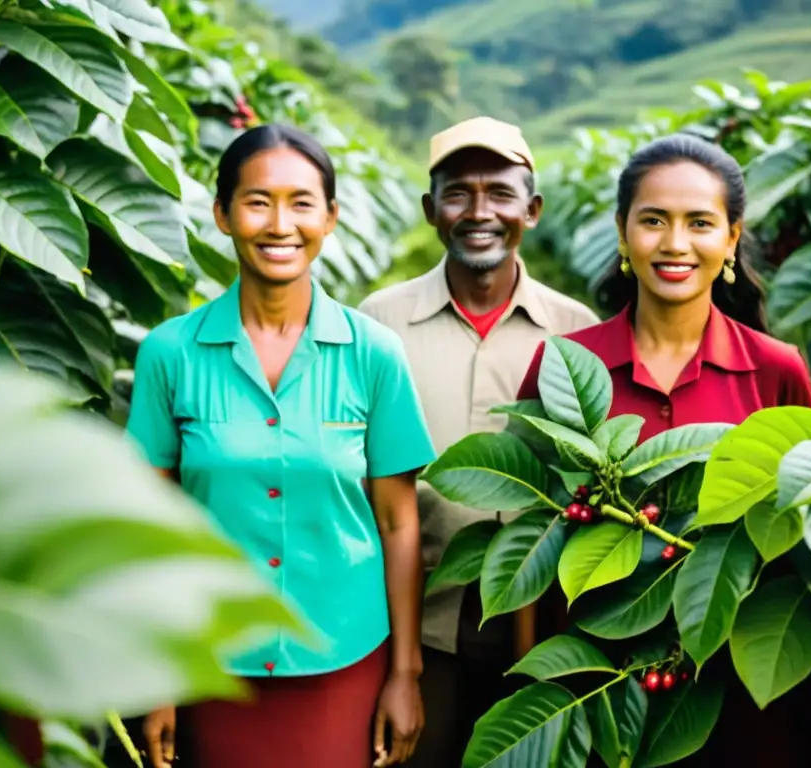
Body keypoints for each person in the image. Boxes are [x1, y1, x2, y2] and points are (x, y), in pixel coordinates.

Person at [125, 124, 436, 768]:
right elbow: (146, 526)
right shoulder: (170, 353)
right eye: (257, 201)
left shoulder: (373, 355)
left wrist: (406, 672)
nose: (279, 224)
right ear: (222, 214)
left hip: (342, 653)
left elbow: (399, 523)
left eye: (301, 202)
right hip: (209, 654)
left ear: (331, 218)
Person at [515, 133, 811, 766]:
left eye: (700, 223)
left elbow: (802, 534)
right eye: (653, 220)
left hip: (743, 698)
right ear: (623, 233)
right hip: (597, 685)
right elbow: (529, 538)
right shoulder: (566, 367)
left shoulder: (775, 371)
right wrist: (534, 681)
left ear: (732, 238)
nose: (676, 243)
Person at [358, 116, 600, 767]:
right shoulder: (377, 325)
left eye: (499, 192)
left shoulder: (577, 335)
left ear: (533, 209)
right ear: (430, 209)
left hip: (537, 624)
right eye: (458, 192)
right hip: (413, 620)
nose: (479, 211)